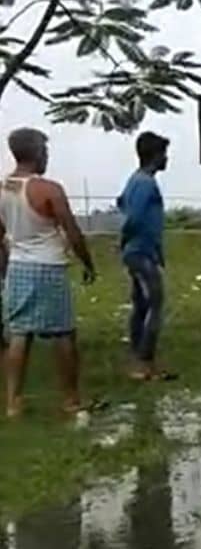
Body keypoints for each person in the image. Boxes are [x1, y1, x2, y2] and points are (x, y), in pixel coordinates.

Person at [0, 128, 97, 417]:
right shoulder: (49, 189)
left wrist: (6, 266)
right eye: (45, 150)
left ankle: (13, 401)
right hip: (49, 267)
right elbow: (72, 231)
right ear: (37, 152)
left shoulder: (3, 188)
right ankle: (70, 399)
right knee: (63, 334)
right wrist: (88, 263)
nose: (47, 156)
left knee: (19, 334)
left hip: (18, 266)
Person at [118, 131, 172, 383]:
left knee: (141, 304)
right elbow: (134, 217)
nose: (167, 159)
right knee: (155, 304)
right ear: (155, 156)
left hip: (143, 250)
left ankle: (138, 360)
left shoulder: (137, 180)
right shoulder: (144, 183)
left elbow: (122, 203)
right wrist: (126, 239)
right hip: (139, 252)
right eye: (164, 153)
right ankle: (144, 362)